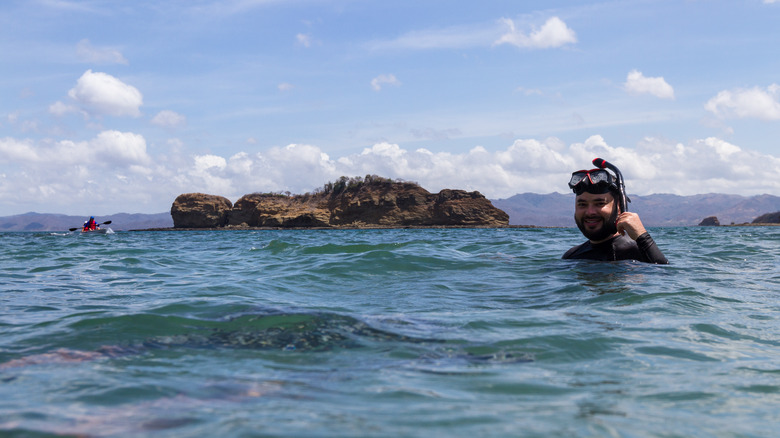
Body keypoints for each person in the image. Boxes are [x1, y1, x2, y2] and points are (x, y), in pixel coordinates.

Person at [562, 164, 668, 264]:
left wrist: (643, 237)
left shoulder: (637, 252)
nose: (590, 212)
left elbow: (664, 276)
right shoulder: (571, 257)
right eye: (582, 205)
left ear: (619, 207)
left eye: (600, 203)